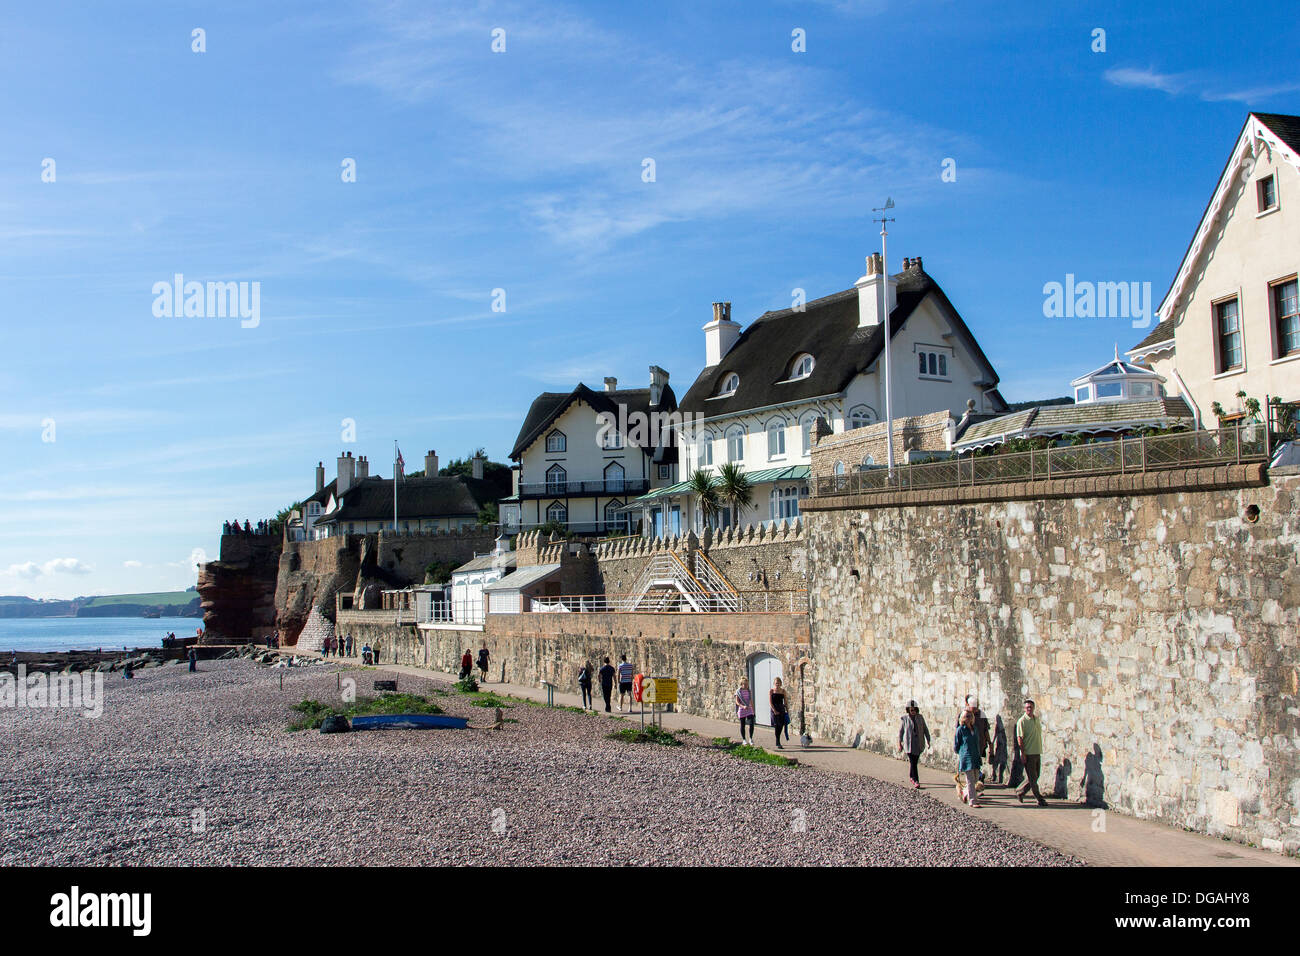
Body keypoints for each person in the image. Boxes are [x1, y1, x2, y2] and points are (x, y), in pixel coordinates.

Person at [1015, 698, 1047, 806]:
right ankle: (1039, 798)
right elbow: (1019, 738)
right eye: (1027, 707)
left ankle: (1020, 791)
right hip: (1028, 753)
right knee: (1033, 778)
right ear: (1024, 709)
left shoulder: (1036, 719)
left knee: (1035, 775)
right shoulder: (1022, 721)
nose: (1029, 709)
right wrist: (1023, 753)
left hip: (1037, 751)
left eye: (1031, 707)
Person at [897, 699, 931, 788]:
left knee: (914, 762)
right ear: (908, 710)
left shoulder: (920, 717)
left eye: (915, 710)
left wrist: (928, 740)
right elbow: (901, 732)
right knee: (913, 762)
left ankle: (911, 776)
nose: (913, 712)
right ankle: (916, 780)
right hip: (909, 744)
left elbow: (925, 729)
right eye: (911, 710)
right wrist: (899, 743)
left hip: (918, 743)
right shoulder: (904, 719)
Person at [954, 709, 983, 807]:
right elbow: (956, 745)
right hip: (966, 757)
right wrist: (961, 753)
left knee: (975, 779)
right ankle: (973, 801)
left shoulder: (974, 728)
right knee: (970, 780)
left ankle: (965, 793)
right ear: (962, 718)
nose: (968, 718)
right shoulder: (960, 730)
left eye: (970, 716)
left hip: (975, 756)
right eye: (966, 716)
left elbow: (977, 742)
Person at [769, 677, 790, 749]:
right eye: (776, 683)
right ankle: (778, 741)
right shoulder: (771, 691)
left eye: (778, 683)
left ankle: (778, 740)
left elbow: (786, 701)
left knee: (781, 725)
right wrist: (774, 710)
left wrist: (787, 710)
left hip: (781, 709)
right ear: (774, 684)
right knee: (776, 725)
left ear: (781, 683)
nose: (777, 684)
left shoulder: (783, 691)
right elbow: (770, 702)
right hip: (774, 709)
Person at [735, 677, 756, 745]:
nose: (746, 685)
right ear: (741, 684)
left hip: (749, 709)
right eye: (745, 684)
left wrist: (753, 710)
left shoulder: (748, 691)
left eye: (747, 684)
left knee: (751, 724)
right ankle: (744, 739)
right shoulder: (738, 692)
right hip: (742, 709)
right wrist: (743, 706)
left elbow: (750, 701)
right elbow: (737, 702)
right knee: (742, 725)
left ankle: (750, 738)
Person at [991, 715, 1009, 784]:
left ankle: (1000, 778)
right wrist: (992, 742)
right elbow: (996, 735)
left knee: (1002, 764)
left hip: (1002, 748)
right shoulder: (998, 728)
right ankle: (994, 776)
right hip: (999, 748)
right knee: (996, 763)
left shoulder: (1002, 730)